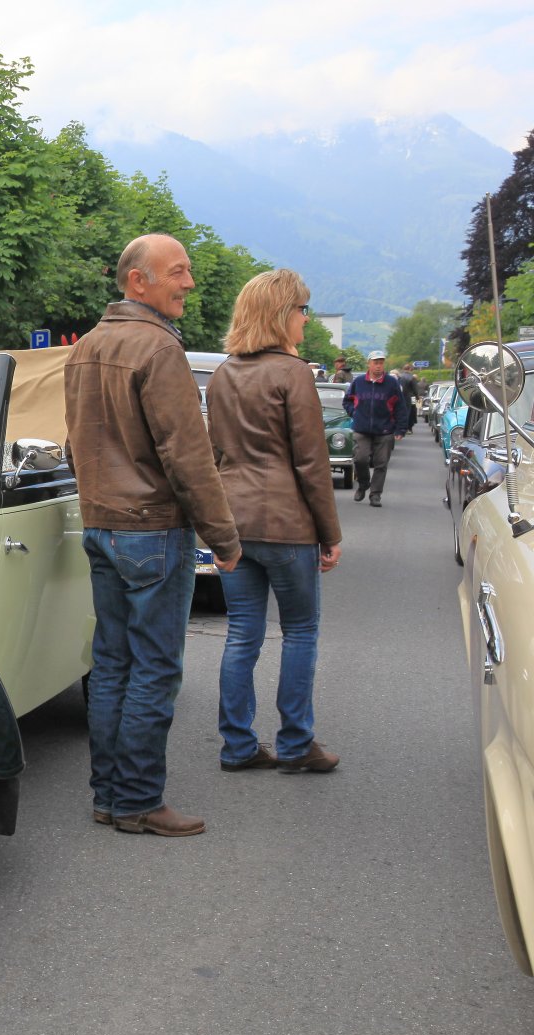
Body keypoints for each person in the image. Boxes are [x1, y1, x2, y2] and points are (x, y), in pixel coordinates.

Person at [64, 233, 241, 838]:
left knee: (111, 664)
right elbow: (188, 457)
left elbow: (75, 444)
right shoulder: (160, 349)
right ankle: (138, 800)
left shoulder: (87, 346)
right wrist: (223, 538)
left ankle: (109, 797)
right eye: (178, 271)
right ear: (138, 280)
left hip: (101, 524)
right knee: (155, 669)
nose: (189, 282)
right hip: (152, 530)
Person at [206, 269, 343, 777]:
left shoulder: (223, 374)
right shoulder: (294, 373)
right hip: (287, 524)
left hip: (235, 522)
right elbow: (311, 462)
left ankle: (237, 745)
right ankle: (296, 743)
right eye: (302, 310)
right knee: (300, 631)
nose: (306, 319)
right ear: (281, 314)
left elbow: (215, 453)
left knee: (242, 633)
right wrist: (330, 534)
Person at [342, 353, 407, 507]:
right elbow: (347, 401)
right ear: (369, 364)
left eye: (381, 363)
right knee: (360, 459)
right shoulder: (358, 382)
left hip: (384, 429)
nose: (378, 366)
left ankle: (375, 494)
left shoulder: (391, 383)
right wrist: (354, 413)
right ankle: (363, 483)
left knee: (381, 463)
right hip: (361, 428)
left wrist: (400, 429)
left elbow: (400, 406)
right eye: (375, 363)